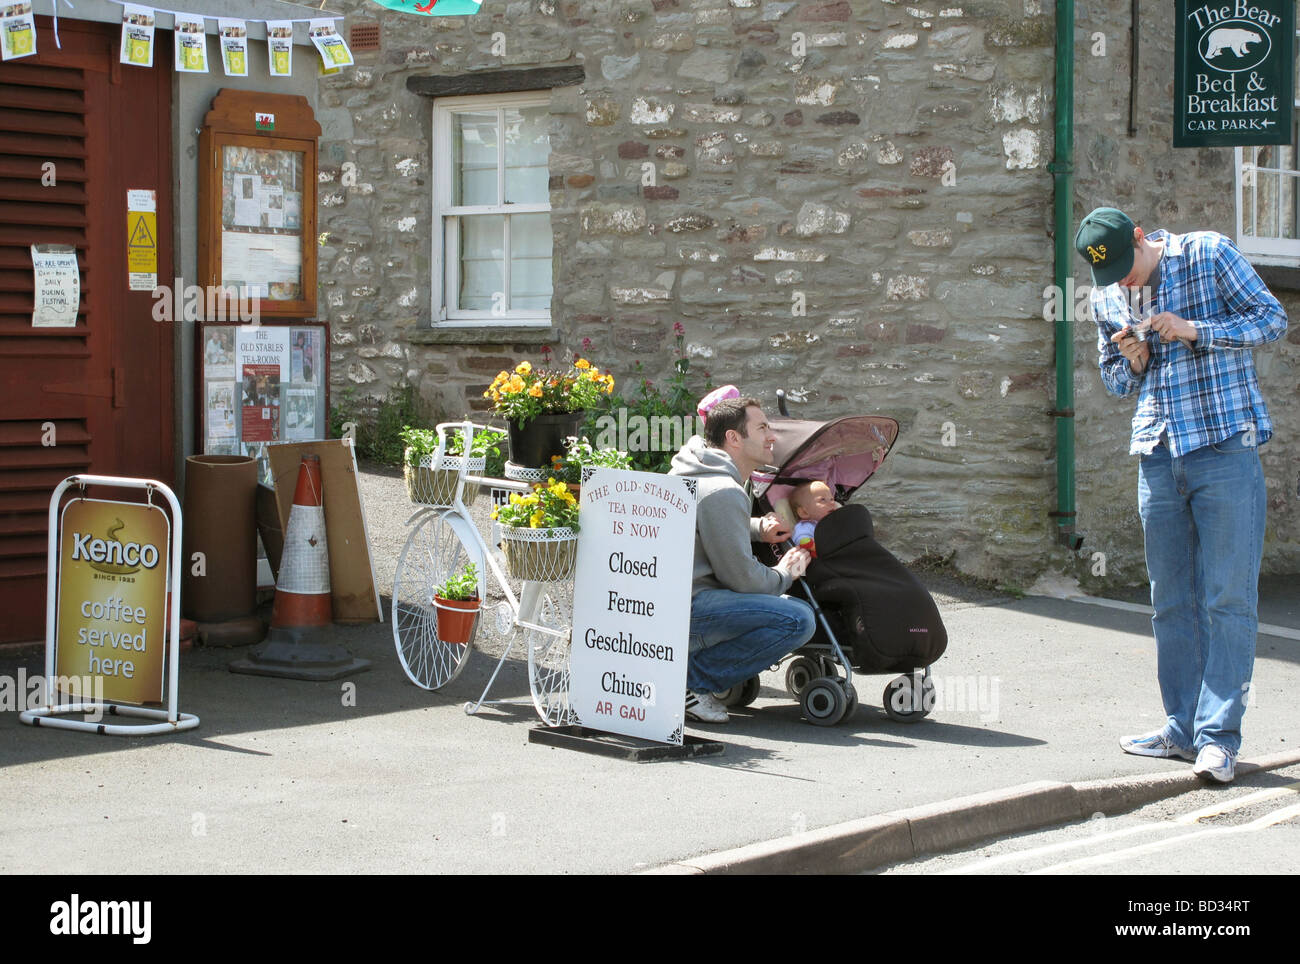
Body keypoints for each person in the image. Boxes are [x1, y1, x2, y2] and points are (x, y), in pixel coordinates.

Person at [1075, 206, 1287, 783]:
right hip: (1158, 455)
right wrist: (1131, 358)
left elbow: (1272, 320)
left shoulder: (1209, 253)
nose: (1123, 282)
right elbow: (1117, 384)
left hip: (1224, 449)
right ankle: (1182, 728)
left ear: (1142, 238)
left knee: (1227, 599)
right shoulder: (1107, 297)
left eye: (1127, 266)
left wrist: (1196, 330)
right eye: (1110, 276)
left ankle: (1219, 737)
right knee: (1170, 602)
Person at [669, 394, 815, 723]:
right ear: (734, 438)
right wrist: (784, 573)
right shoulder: (724, 489)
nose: (772, 436)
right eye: (762, 427)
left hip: (669, 606)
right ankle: (689, 682)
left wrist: (754, 528)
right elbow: (743, 579)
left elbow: (701, 518)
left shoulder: (698, 471)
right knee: (797, 619)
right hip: (690, 610)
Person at [790, 480, 839, 556]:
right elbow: (801, 539)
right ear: (804, 512)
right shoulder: (807, 526)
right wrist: (811, 545)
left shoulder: (838, 520)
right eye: (822, 500)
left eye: (832, 499)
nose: (832, 503)